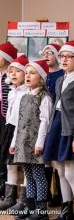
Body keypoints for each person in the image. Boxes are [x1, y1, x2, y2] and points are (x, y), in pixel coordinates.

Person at [43, 40, 74, 220]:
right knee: (60, 171)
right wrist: (49, 130)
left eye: (69, 56)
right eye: (62, 56)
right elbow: (57, 104)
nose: (64, 60)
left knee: (71, 172)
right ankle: (66, 211)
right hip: (57, 125)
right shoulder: (61, 79)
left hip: (71, 129)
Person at [11, 59, 53, 220]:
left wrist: (40, 142)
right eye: (26, 73)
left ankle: (42, 211)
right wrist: (14, 142)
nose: (27, 76)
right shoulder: (24, 97)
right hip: (23, 141)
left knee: (38, 175)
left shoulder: (44, 97)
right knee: (28, 176)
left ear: (41, 78)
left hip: (35, 143)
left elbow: (45, 121)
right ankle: (31, 207)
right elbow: (19, 121)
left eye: (32, 73)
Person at [0, 55, 29, 211]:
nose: (13, 74)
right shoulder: (12, 92)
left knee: (24, 165)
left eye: (18, 71)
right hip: (10, 129)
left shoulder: (27, 93)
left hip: (23, 130)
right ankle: (10, 197)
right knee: (10, 164)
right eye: (11, 71)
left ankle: (23, 200)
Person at [40, 43, 64, 207]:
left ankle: (59, 193)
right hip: (43, 120)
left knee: (56, 159)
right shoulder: (42, 75)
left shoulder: (62, 74)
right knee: (45, 159)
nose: (47, 56)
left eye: (50, 53)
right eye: (44, 53)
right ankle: (46, 192)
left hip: (56, 120)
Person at [0, 42, 17, 198]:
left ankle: (6, 185)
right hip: (0, 115)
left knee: (5, 150)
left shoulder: (10, 76)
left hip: (8, 118)